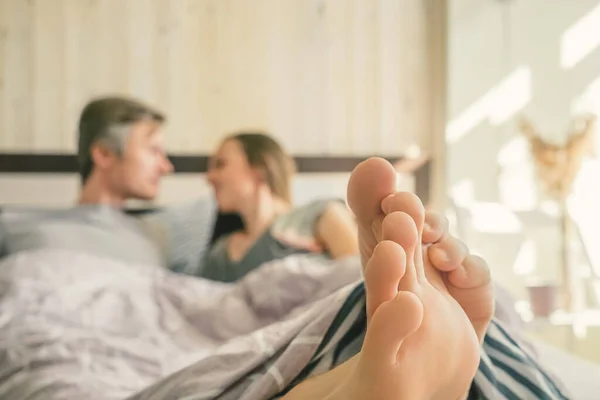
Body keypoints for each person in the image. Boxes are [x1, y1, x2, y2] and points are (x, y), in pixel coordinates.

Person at [282, 157, 568, 399]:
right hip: (326, 283)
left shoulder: (302, 217)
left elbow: (338, 242)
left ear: (258, 172)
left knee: (376, 287)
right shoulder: (260, 239)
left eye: (233, 160)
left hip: (334, 276)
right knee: (385, 285)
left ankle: (371, 359)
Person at [199, 132, 359, 282]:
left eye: (220, 164)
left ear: (260, 168)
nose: (209, 177)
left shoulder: (320, 215)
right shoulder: (220, 255)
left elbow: (360, 282)